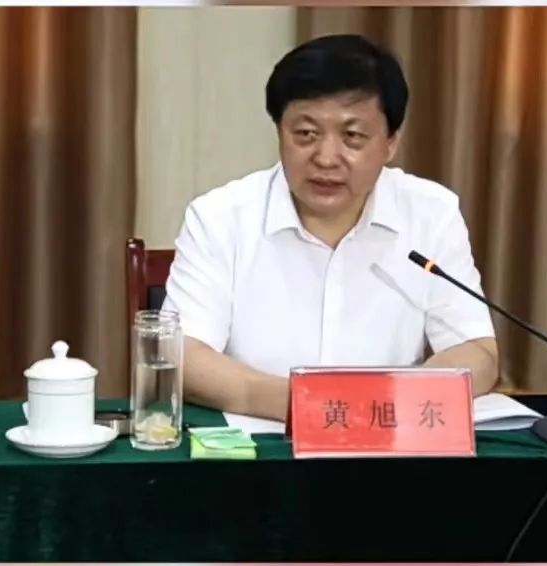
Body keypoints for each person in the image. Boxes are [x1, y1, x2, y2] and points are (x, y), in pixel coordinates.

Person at [162, 34, 498, 423]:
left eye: (352, 137)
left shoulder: (430, 213)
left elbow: (476, 352)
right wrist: (314, 407)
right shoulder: (220, 217)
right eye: (306, 134)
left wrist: (384, 405)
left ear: (391, 142)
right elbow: (183, 355)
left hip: (389, 439)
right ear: (279, 132)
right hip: (261, 442)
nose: (325, 158)